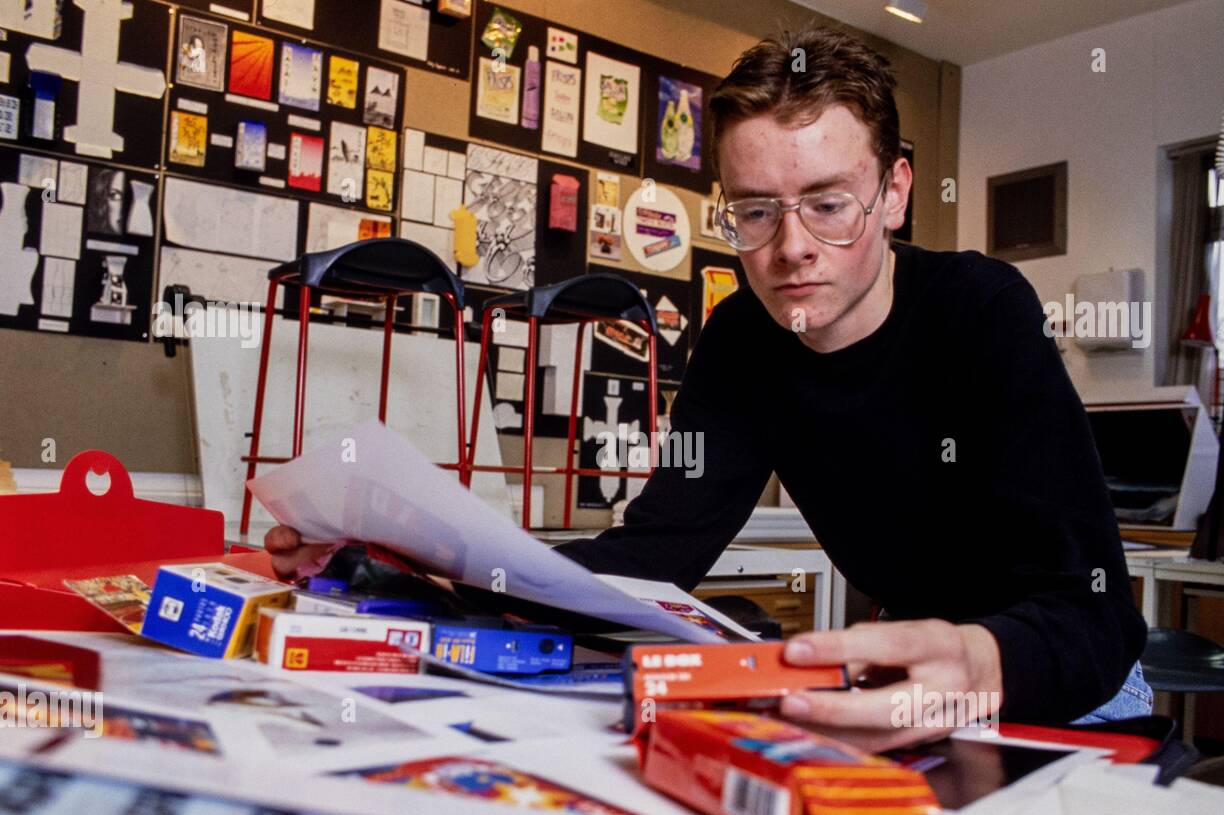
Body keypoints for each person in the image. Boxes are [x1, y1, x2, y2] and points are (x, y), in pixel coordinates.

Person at [267, 26, 1149, 752]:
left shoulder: (983, 311)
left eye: (829, 203)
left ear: (894, 193)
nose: (791, 247)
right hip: (896, 692)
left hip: (1061, 688)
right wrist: (412, 574)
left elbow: (1093, 614)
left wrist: (978, 661)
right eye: (756, 211)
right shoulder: (742, 339)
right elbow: (651, 561)